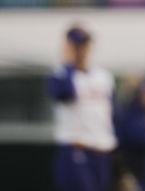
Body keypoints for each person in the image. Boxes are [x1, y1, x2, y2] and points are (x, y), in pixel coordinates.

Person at [48, 26, 117, 191]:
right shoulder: (60, 75)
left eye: (84, 45)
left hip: (102, 150)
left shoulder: (103, 76)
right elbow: (65, 92)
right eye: (77, 46)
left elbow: (114, 114)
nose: (82, 50)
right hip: (76, 150)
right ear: (68, 47)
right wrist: (68, 63)